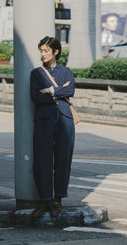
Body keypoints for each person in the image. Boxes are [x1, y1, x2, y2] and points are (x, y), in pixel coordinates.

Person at [30, 36, 75, 218]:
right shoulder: (36, 73)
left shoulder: (66, 72)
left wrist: (50, 90)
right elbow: (35, 96)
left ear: (55, 52)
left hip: (65, 118)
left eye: (46, 51)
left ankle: (58, 199)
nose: (42, 54)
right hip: (44, 119)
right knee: (42, 160)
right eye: (41, 51)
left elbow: (70, 90)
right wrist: (58, 91)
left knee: (63, 159)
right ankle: (45, 199)